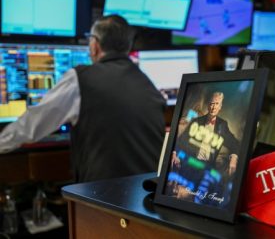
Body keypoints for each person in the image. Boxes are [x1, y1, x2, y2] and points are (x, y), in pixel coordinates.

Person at [0, 15, 166, 182]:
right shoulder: (148, 85)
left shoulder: (81, 78)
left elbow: (32, 125)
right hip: (146, 197)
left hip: (104, 199)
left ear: (94, 45)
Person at [167, 92, 239, 206]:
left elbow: (235, 144)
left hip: (207, 167)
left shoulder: (222, 125)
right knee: (176, 192)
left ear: (220, 107)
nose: (213, 107)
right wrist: (174, 153)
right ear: (208, 105)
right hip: (191, 162)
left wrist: (234, 158)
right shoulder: (197, 121)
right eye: (211, 103)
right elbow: (181, 140)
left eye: (216, 104)